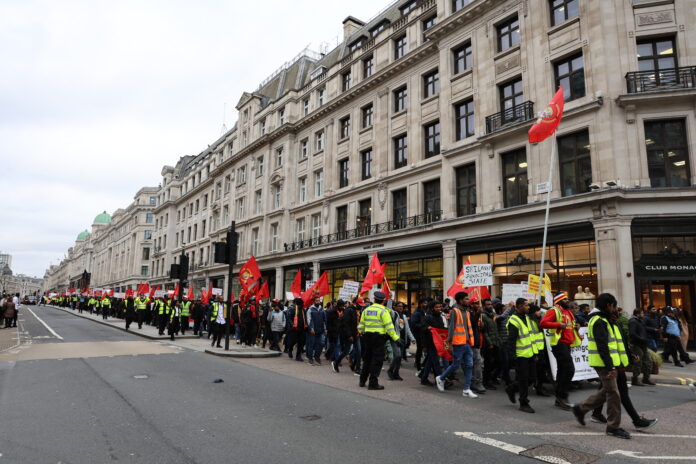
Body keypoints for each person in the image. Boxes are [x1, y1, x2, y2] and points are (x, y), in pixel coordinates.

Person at [572, 293, 631, 439]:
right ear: (608, 305)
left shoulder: (604, 319)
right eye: (614, 306)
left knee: (606, 390)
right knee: (613, 394)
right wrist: (610, 366)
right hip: (604, 363)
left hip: (608, 362)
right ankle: (613, 427)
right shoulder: (599, 321)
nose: (615, 309)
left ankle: (581, 409)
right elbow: (602, 346)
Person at [540, 292, 580, 410]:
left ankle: (559, 398)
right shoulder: (554, 311)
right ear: (559, 300)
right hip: (558, 344)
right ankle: (562, 396)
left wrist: (575, 326)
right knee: (569, 370)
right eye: (565, 299)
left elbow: (568, 326)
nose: (568, 300)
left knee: (562, 370)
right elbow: (543, 323)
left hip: (567, 344)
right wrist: (558, 325)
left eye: (568, 298)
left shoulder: (567, 312)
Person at [436, 292, 477, 398]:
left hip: (467, 343)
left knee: (469, 365)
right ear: (460, 300)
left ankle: (466, 389)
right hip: (458, 343)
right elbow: (451, 327)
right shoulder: (455, 311)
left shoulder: (467, 312)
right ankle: (441, 378)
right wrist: (449, 343)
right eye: (466, 299)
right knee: (456, 364)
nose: (468, 300)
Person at [358, 291, 399, 390]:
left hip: (367, 337)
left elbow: (361, 326)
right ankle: (373, 383)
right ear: (383, 301)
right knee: (377, 361)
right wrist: (396, 338)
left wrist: (362, 333)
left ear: (374, 299)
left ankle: (362, 381)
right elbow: (389, 327)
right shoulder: (384, 311)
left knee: (367, 360)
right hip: (378, 339)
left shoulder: (366, 310)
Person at [505, 298, 538, 413]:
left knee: (532, 378)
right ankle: (523, 403)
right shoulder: (514, 321)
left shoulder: (527, 318)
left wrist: (535, 352)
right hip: (520, 355)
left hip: (530, 353)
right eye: (526, 305)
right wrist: (513, 357)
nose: (528, 307)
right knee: (524, 380)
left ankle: (511, 388)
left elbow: (531, 336)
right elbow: (511, 341)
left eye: (528, 305)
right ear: (518, 306)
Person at [628, 308, 654, 386]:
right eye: (642, 313)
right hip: (637, 345)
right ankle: (635, 379)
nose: (643, 314)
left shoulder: (640, 321)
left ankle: (646, 378)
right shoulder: (633, 321)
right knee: (638, 362)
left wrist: (654, 330)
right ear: (637, 314)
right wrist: (641, 339)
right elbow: (632, 333)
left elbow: (644, 329)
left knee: (648, 361)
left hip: (643, 344)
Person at [481, 298, 501, 390]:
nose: (490, 306)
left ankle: (490, 377)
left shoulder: (492, 315)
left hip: (495, 342)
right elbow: (484, 332)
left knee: (498, 361)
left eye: (491, 304)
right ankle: (486, 381)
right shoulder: (483, 316)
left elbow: (495, 329)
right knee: (488, 363)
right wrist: (489, 343)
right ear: (484, 306)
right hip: (488, 344)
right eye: (488, 304)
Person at [306, 297, 327, 365]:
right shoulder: (310, 309)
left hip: (320, 330)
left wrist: (325, 329)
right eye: (317, 301)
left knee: (321, 344)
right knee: (311, 344)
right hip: (313, 330)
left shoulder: (322, 309)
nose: (318, 302)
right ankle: (310, 358)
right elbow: (309, 320)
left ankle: (317, 356)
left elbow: (324, 320)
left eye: (319, 301)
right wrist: (311, 328)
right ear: (314, 302)